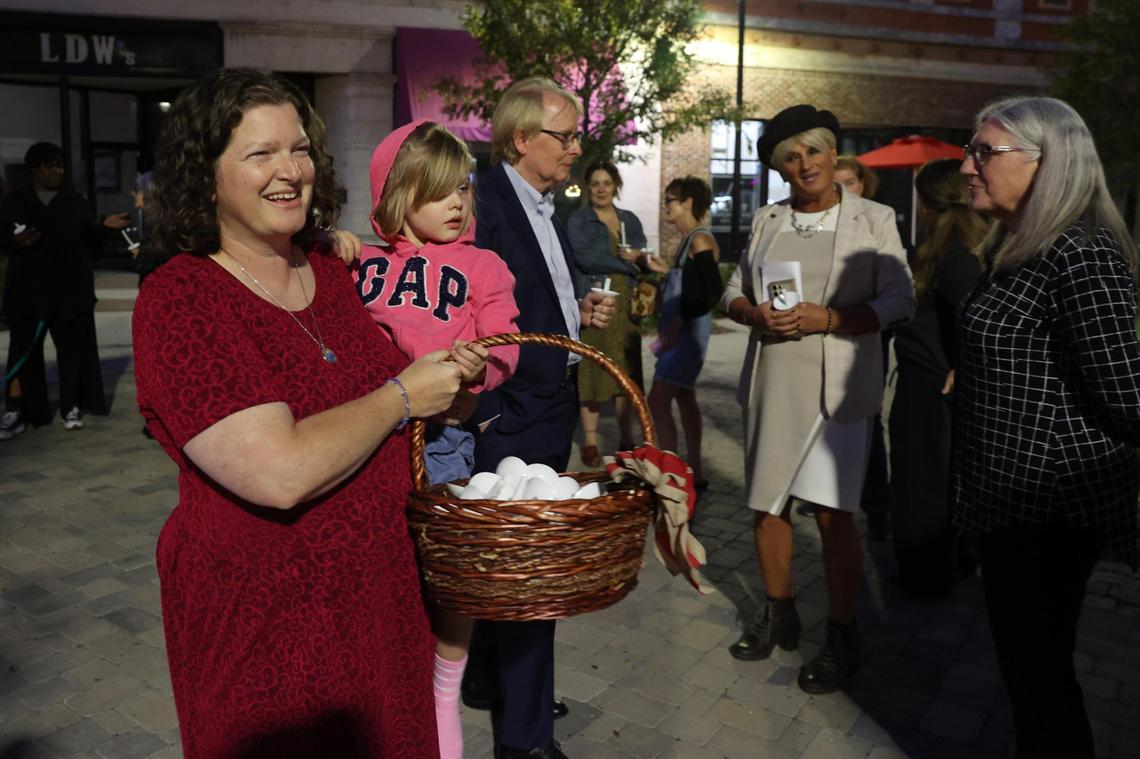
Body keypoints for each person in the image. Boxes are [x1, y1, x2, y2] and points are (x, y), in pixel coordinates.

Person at [132, 68, 465, 758]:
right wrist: (404, 395)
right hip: (269, 634)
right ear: (206, 175)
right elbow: (277, 470)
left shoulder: (333, 269)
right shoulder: (182, 299)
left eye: (300, 150)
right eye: (260, 154)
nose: (290, 171)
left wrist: (451, 386)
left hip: (381, 615)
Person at [953, 96, 1140, 759]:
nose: (966, 164)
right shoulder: (1025, 242)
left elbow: (1129, 394)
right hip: (1014, 505)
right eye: (970, 148)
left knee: (1041, 682)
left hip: (1048, 511)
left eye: (984, 151)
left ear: (1047, 162)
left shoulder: (1081, 253)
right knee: (1031, 676)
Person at [721, 104, 914, 694]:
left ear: (834, 156)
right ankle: (779, 610)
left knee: (833, 517)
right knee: (766, 504)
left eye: (813, 151)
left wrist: (831, 317)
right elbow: (733, 288)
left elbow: (900, 299)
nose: (804, 164)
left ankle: (842, 631)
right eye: (790, 156)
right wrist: (750, 312)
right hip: (775, 376)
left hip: (838, 386)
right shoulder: (767, 219)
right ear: (780, 168)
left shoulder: (875, 218)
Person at [353, 118, 520, 759]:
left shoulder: (483, 264)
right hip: (369, 441)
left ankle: (443, 690)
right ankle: (394, 694)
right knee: (387, 580)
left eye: (464, 189)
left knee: (449, 580)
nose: (457, 202)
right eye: (438, 190)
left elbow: (506, 341)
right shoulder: (360, 264)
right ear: (396, 194)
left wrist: (486, 363)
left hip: (444, 441)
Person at [459, 76, 614, 759]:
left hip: (546, 404)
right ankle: (525, 742)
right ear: (522, 138)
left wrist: (580, 309)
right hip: (513, 412)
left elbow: (529, 297)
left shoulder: (547, 203)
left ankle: (493, 679)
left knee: (512, 569)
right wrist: (488, 410)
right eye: (566, 135)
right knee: (528, 577)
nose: (577, 148)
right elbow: (461, 306)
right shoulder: (483, 202)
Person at [889, 158, 986, 598]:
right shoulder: (955, 245)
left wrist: (965, 365)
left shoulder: (953, 255)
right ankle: (944, 566)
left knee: (922, 482)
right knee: (935, 481)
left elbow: (983, 319)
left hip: (930, 387)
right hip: (927, 381)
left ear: (928, 202)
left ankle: (925, 577)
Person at [0, 142, 130, 438]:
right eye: (50, 165)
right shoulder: (14, 202)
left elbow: (88, 241)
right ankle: (20, 410)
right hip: (28, 293)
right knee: (23, 352)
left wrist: (104, 227)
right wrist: (14, 243)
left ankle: (71, 404)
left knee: (73, 352)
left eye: (60, 165)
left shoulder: (74, 202)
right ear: (34, 169)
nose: (57, 171)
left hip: (69, 293)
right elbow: (2, 239)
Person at [567, 159, 649, 466]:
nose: (601, 189)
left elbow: (643, 253)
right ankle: (590, 440)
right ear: (588, 187)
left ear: (615, 186)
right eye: (595, 183)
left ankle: (627, 438)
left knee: (624, 371)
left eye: (607, 183)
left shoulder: (629, 218)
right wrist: (628, 261)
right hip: (597, 299)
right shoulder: (578, 220)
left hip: (627, 303)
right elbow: (587, 258)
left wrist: (639, 257)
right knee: (592, 370)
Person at [647, 176, 720, 494]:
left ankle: (671, 473)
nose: (666, 206)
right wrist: (666, 272)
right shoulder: (690, 239)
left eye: (670, 200)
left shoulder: (700, 240)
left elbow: (711, 292)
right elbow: (691, 283)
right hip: (680, 331)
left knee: (658, 400)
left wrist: (681, 319)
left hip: (686, 335)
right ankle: (695, 471)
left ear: (688, 202)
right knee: (685, 399)